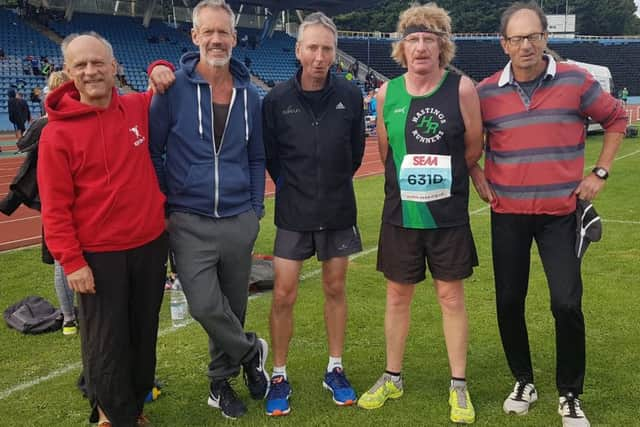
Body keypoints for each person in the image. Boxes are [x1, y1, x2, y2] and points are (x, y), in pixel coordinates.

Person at [474, 3, 627, 426]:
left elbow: (616, 118)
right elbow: (468, 140)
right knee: (508, 301)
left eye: (533, 36)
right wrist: (475, 173)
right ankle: (523, 379)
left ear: (546, 37)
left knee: (565, 303)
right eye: (517, 38)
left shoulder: (576, 81)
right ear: (504, 43)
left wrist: (600, 171)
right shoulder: (486, 92)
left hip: (561, 214)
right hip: (508, 214)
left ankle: (570, 393)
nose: (526, 45)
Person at [356, 4, 483, 425]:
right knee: (397, 295)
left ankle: (458, 386)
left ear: (443, 45)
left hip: (447, 218)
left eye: (430, 38)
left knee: (450, 297)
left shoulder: (462, 89)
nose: (421, 46)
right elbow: (386, 153)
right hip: (400, 217)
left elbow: (472, 148)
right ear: (402, 46)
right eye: (413, 38)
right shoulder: (384, 95)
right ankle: (392, 376)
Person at [37, 32, 171, 427]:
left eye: (98, 63)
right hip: (98, 256)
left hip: (148, 246)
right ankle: (109, 415)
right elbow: (55, 209)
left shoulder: (134, 108)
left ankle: (134, 406)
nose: (91, 71)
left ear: (115, 68)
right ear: (68, 72)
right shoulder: (55, 135)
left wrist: (157, 67)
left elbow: (159, 80)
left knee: (142, 333)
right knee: (105, 342)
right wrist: (72, 261)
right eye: (81, 65)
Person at [148, 0, 268, 420]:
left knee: (232, 309)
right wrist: (169, 204)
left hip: (239, 219)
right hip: (189, 221)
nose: (217, 39)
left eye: (224, 32)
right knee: (204, 306)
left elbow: (257, 158)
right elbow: (155, 151)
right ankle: (253, 353)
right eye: (208, 32)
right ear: (195, 36)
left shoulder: (250, 96)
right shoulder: (172, 90)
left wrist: (256, 210)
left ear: (234, 38)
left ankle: (221, 383)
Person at [261, 11, 365, 417]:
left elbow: (355, 153)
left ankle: (335, 368)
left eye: (327, 48)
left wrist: (331, 184)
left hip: (338, 209)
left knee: (336, 288)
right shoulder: (276, 100)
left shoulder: (351, 95)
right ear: (299, 50)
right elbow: (272, 158)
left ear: (334, 52)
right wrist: (298, 187)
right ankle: (280, 374)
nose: (320, 56)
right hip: (293, 211)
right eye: (313, 47)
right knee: (284, 293)